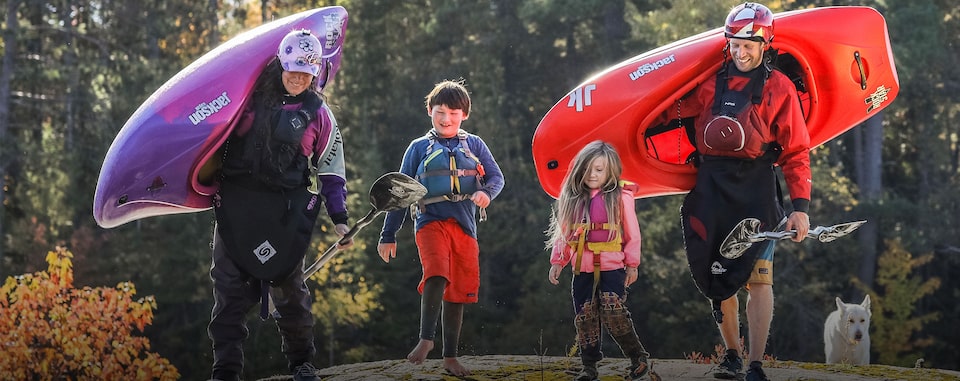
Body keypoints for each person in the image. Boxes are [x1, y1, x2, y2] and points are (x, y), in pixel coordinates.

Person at [673, 3, 811, 381]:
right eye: (734, 43)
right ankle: (731, 354)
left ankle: (755, 364)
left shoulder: (779, 88)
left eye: (749, 43)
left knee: (759, 277)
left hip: (756, 186)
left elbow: (797, 152)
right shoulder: (705, 83)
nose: (741, 50)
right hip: (712, 186)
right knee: (718, 275)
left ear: (765, 43)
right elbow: (669, 115)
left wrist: (800, 207)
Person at [208, 29, 351, 381]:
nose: (299, 79)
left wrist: (340, 218)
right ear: (281, 65)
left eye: (306, 74)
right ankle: (225, 370)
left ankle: (302, 363)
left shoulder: (320, 114)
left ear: (316, 73)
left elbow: (332, 171)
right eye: (293, 71)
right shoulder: (245, 98)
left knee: (290, 291)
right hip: (236, 207)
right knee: (228, 289)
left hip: (285, 211)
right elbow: (208, 138)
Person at [377, 79, 505, 376]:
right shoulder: (418, 147)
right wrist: (388, 234)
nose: (446, 118)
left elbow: (497, 178)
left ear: (464, 115)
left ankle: (450, 357)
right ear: (429, 112)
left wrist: (486, 193)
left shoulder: (474, 144)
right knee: (437, 273)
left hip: (465, 224)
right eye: (439, 112)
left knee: (458, 289)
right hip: (429, 220)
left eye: (453, 112)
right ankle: (426, 339)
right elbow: (399, 191)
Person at [545, 140, 651, 381]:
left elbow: (633, 233)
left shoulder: (620, 197)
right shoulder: (573, 198)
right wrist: (558, 261)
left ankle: (638, 358)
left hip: (612, 267)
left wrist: (632, 264)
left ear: (609, 170)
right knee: (585, 317)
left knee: (614, 311)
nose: (592, 174)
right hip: (581, 267)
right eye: (588, 169)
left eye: (599, 170)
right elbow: (564, 234)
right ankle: (589, 367)